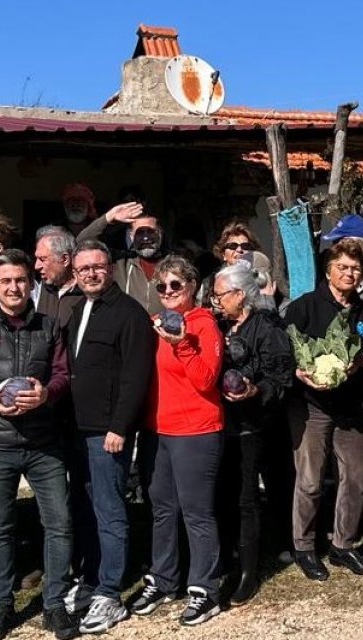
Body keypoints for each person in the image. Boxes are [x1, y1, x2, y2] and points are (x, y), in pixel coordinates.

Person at [0, 249, 78, 640]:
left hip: (43, 443)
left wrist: (47, 395)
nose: (13, 287)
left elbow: (62, 375)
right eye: (5, 280)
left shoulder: (50, 326)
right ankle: (1, 605)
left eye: (21, 280)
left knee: (59, 523)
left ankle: (54, 604)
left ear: (31, 284)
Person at [63, 240, 155, 634]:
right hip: (75, 429)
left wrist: (121, 427)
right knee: (82, 508)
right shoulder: (77, 310)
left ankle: (110, 593)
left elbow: (136, 377)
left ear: (111, 268)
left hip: (107, 433)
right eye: (83, 269)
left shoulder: (129, 314)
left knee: (109, 511)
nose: (91, 274)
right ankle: (89, 580)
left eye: (97, 267)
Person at [128, 255, 224, 626]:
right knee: (162, 509)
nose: (168, 292)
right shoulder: (152, 323)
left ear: (192, 288)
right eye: (162, 286)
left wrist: (183, 344)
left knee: (197, 513)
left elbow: (206, 380)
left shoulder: (203, 324)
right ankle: (163, 578)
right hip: (157, 430)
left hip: (196, 430)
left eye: (175, 285)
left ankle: (205, 588)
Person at [282, 238, 363, 583]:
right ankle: (304, 547)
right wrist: (300, 372)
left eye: (355, 268)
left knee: (355, 477)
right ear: (328, 270)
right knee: (309, 480)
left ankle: (343, 544)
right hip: (310, 406)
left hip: (350, 405)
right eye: (343, 267)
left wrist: (358, 362)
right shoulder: (304, 307)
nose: (350, 274)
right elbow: (286, 352)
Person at [210, 262, 295, 605]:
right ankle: (227, 557)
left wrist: (254, 390)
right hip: (220, 422)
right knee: (223, 492)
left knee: (247, 497)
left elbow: (281, 378)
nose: (215, 301)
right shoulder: (217, 326)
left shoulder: (267, 329)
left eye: (220, 295)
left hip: (252, 425)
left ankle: (249, 571)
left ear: (239, 295)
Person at [76, 201, 165, 314]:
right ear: (131, 236)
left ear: (160, 233)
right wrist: (109, 217)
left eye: (151, 232)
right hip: (128, 329)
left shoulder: (174, 263)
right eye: (140, 233)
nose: (146, 238)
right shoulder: (121, 262)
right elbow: (81, 242)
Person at [195, 222, 262, 306]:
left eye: (245, 246)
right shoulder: (209, 283)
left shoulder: (261, 278)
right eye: (233, 246)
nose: (239, 250)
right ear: (223, 254)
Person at [33, 225, 84, 328]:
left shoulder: (86, 293)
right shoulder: (37, 290)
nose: (36, 266)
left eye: (43, 259)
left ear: (65, 259)